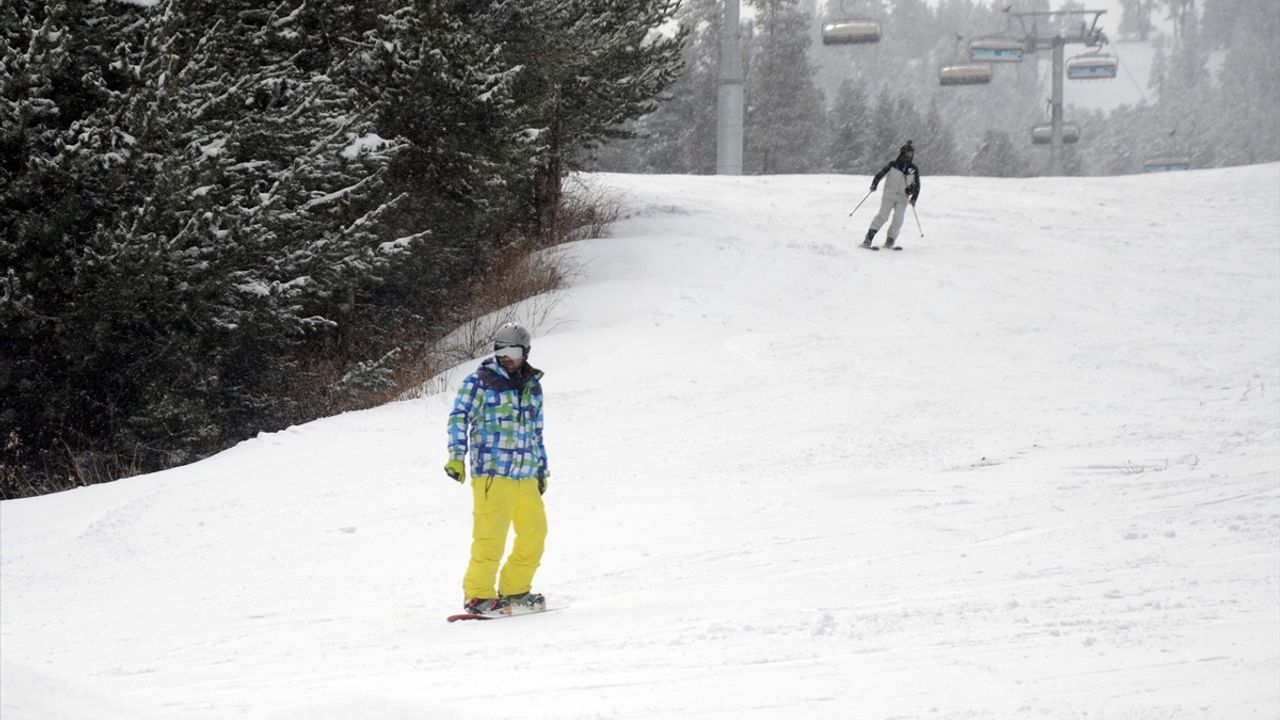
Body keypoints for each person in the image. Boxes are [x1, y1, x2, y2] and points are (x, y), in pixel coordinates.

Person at [444, 322, 549, 616]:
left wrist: (542, 469)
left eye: (513, 351)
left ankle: (515, 589)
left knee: (535, 533)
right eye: (501, 350)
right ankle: (478, 595)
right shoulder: (480, 381)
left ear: (524, 353)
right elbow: (459, 416)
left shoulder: (532, 386)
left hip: (526, 473)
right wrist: (456, 455)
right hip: (493, 472)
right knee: (490, 536)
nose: (506, 357)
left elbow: (536, 431)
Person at [862, 141, 921, 250]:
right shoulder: (893, 164)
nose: (909, 156)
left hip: (903, 197)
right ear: (902, 153)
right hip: (889, 194)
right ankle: (869, 238)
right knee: (883, 216)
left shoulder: (913, 169)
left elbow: (917, 185)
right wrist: (874, 184)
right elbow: (880, 174)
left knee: (898, 219)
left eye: (911, 154)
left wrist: (913, 197)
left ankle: (890, 239)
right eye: (907, 153)